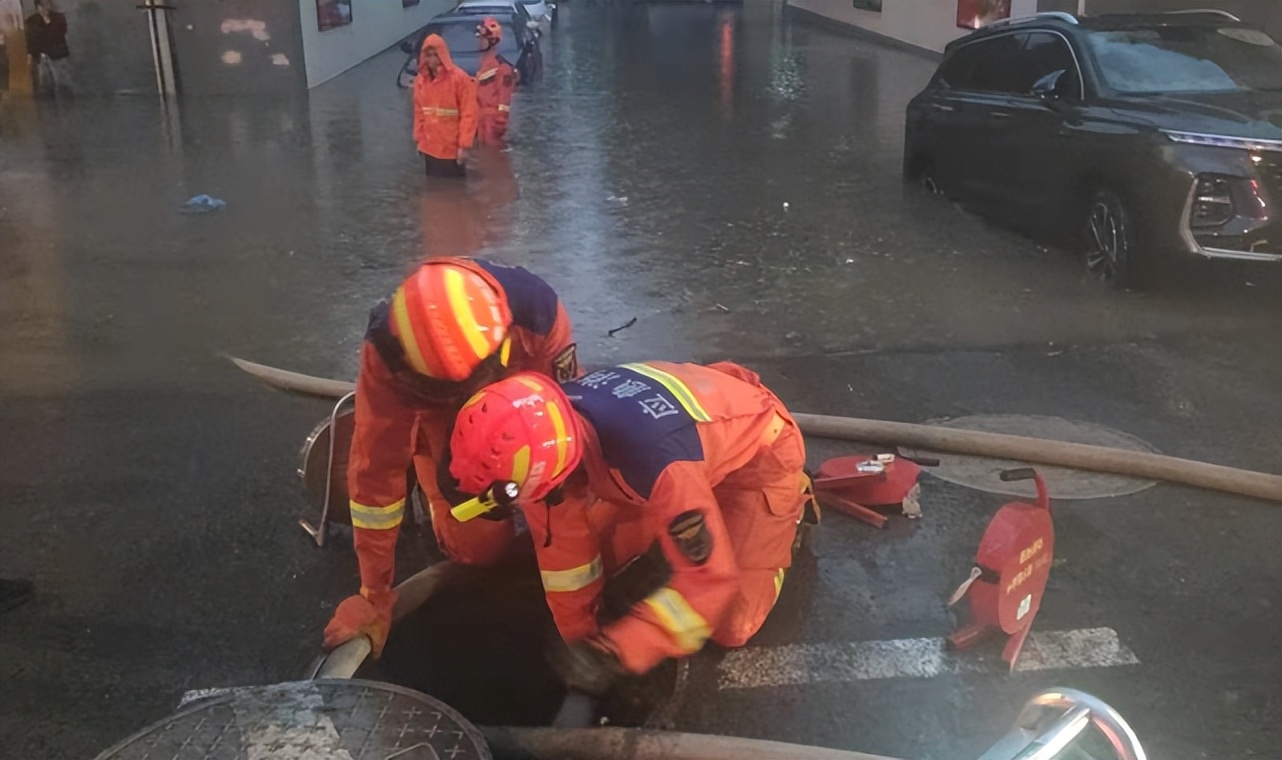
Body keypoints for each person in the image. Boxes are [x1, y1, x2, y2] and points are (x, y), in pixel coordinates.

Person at [443, 361, 815, 694]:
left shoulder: (656, 463)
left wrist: (619, 652)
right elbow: (565, 557)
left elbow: (709, 582)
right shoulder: (542, 432)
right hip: (684, 441)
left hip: (757, 462)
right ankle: (708, 506)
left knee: (731, 624)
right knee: (607, 559)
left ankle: (789, 507)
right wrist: (581, 639)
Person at [322, 258, 578, 657]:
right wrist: (375, 592)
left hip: (520, 394)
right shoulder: (387, 356)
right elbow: (376, 474)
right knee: (478, 548)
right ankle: (430, 469)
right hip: (435, 416)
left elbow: (563, 434)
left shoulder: (538, 317)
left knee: (568, 511)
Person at [413, 33, 477, 178]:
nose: (431, 59)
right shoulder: (421, 82)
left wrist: (464, 146)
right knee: (435, 189)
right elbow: (419, 113)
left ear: (442, 54)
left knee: (456, 191)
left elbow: (469, 113)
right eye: (428, 55)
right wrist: (419, 139)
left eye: (434, 54)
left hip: (451, 150)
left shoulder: (459, 79)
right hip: (430, 148)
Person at [474, 17, 518, 147]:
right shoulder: (483, 65)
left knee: (493, 160)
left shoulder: (502, 68)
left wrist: (499, 124)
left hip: (491, 125)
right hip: (481, 122)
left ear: (492, 40)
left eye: (482, 39)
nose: (479, 43)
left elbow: (504, 101)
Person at [24, 0, 70, 98]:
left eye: (47, 4)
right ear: (37, 7)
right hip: (41, 58)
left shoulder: (59, 18)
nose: (46, 8)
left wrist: (48, 22)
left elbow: (60, 34)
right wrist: (31, 56)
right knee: (44, 86)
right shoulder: (32, 21)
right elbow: (31, 40)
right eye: (43, 5)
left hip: (58, 56)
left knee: (62, 83)